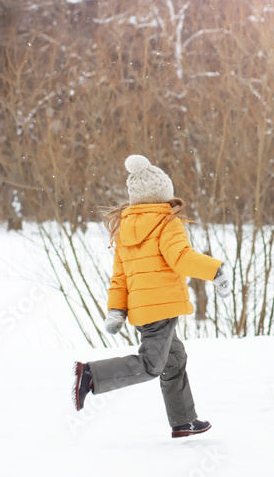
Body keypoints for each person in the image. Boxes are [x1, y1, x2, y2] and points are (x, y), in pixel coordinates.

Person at [72, 155, 230, 438]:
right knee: (150, 365)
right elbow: (182, 258)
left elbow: (120, 277)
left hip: (143, 311)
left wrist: (116, 311)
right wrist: (215, 270)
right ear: (162, 195)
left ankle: (184, 421)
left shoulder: (125, 229)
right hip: (162, 308)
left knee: (175, 360)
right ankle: (92, 375)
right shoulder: (166, 224)